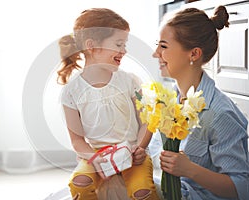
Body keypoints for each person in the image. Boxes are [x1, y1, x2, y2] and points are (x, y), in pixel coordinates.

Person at [57, 8, 159, 200]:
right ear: (91, 46)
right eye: (119, 44)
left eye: (125, 44)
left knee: (142, 192)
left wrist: (139, 147)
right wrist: (95, 159)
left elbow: (147, 121)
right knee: (79, 183)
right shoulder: (71, 91)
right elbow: (77, 140)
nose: (124, 50)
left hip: (131, 150)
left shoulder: (130, 81)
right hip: (97, 153)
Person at [153, 5, 249, 200]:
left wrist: (190, 170)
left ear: (194, 54)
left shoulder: (220, 114)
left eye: (163, 46)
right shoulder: (170, 100)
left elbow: (242, 189)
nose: (156, 53)